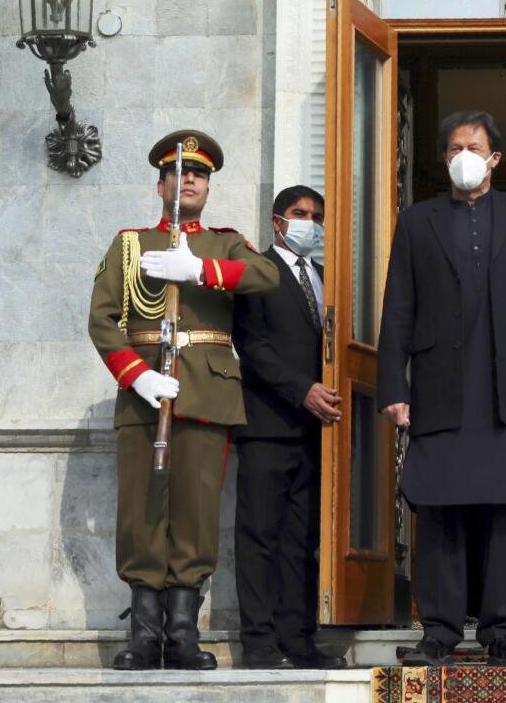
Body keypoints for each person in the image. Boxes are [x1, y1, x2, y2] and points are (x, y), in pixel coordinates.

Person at [376, 109, 506, 667]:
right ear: (444, 158)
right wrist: (393, 386)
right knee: (439, 511)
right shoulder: (417, 221)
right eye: (454, 147)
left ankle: (503, 631)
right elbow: (398, 310)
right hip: (438, 389)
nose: (464, 156)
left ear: (494, 158)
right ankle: (439, 631)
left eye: (474, 147)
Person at [88, 130, 280, 671]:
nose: (188, 180)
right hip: (147, 394)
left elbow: (266, 276)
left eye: (199, 174)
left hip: (207, 393)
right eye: (179, 173)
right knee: (142, 514)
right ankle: (145, 636)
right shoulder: (131, 244)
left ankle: (183, 636)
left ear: (208, 188)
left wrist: (200, 270)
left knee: (195, 517)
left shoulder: (224, 243)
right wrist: (137, 376)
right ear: (160, 184)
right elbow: (102, 319)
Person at [231, 185, 348, 670]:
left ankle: (298, 639)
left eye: (317, 216)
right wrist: (302, 389)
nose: (311, 223)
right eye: (301, 214)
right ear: (278, 221)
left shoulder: (326, 278)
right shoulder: (257, 272)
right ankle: (258, 643)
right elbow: (252, 346)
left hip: (316, 432)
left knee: (303, 541)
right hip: (266, 424)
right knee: (260, 535)